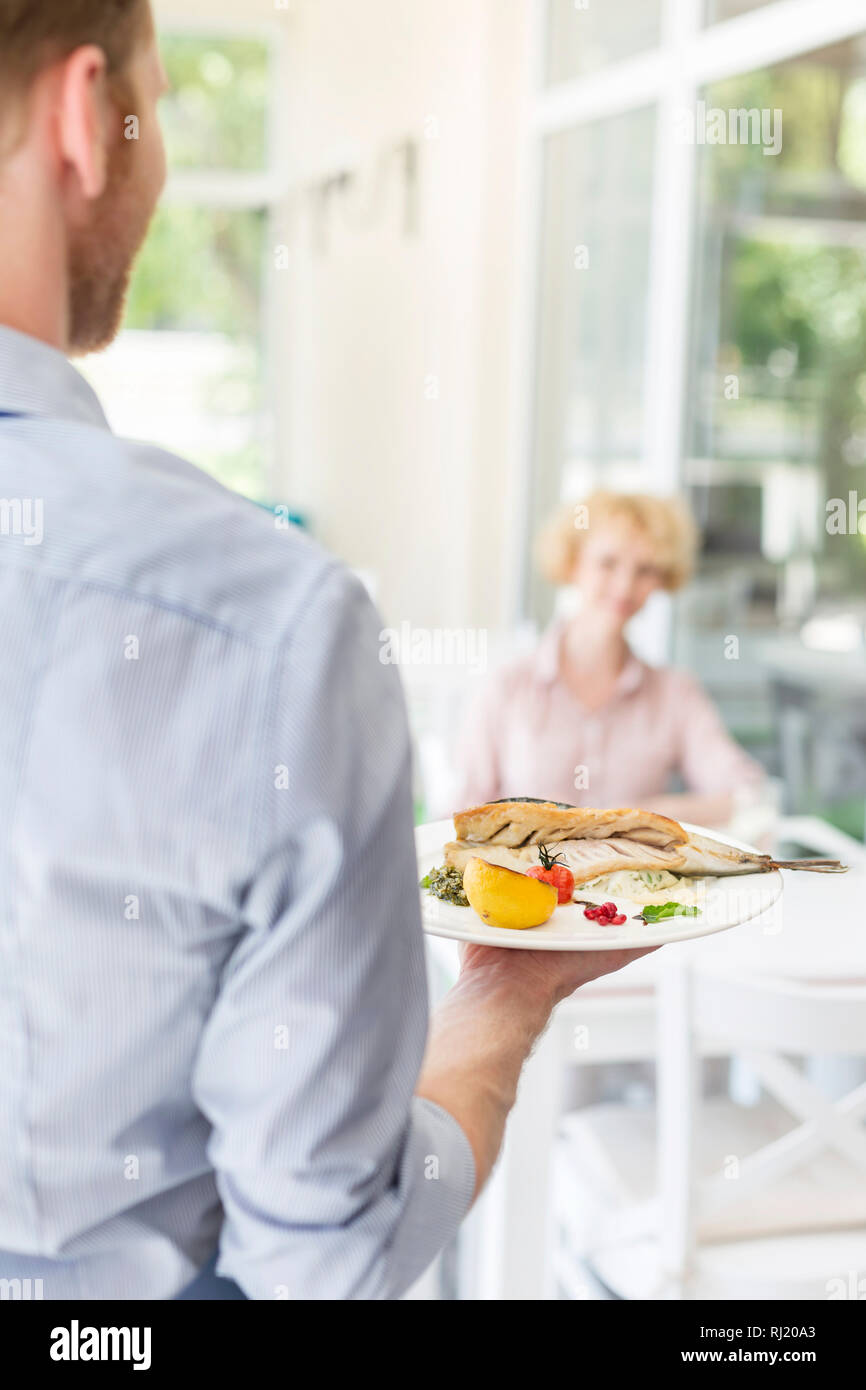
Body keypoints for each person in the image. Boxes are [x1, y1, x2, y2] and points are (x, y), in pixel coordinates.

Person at [0, 1, 652, 1300]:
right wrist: (501, 1004)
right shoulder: (266, 622)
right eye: (162, 102)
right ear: (85, 112)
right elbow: (321, 1259)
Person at [456, 491, 766, 827]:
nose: (625, 585)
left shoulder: (676, 694)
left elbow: (750, 796)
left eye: (645, 569)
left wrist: (639, 816)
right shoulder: (507, 687)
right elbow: (458, 818)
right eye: (608, 563)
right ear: (573, 563)